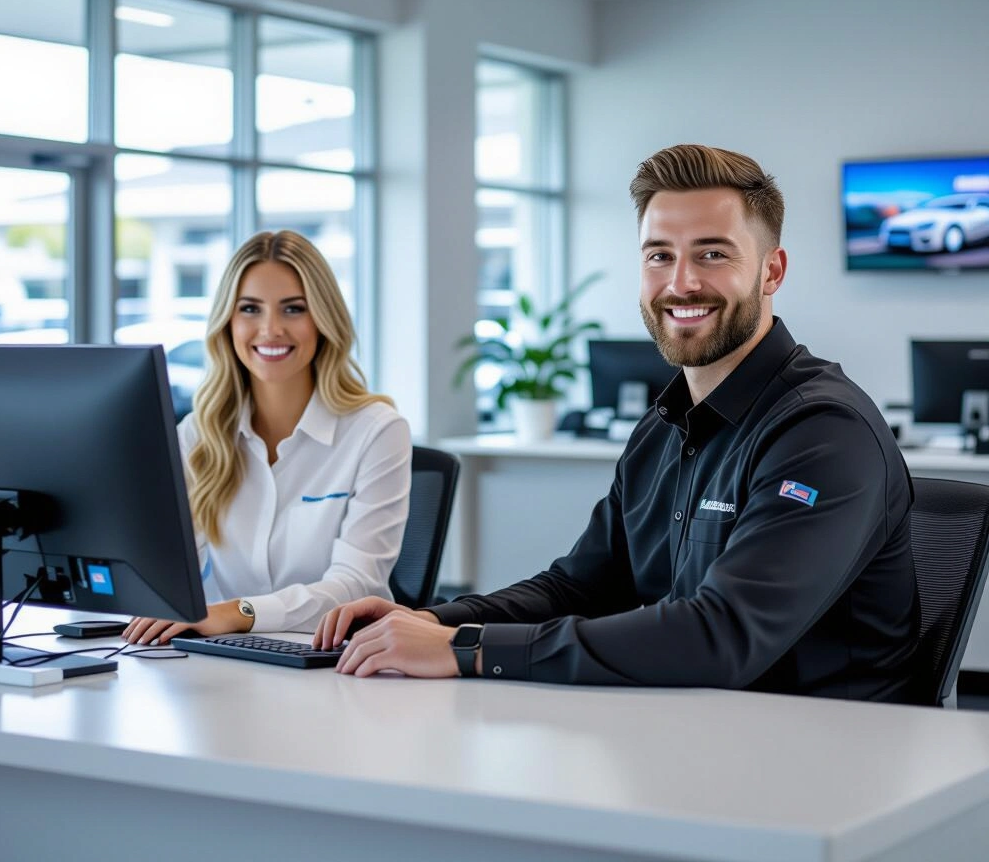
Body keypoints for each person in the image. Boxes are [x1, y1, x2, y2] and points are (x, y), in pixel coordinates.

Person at [314, 144, 920, 701]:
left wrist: (466, 649)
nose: (681, 282)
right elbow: (578, 588)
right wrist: (431, 620)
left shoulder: (824, 433)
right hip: (687, 731)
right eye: (660, 256)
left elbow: (723, 636)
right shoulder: (663, 427)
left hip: (821, 753)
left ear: (772, 271)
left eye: (712, 254)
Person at [124, 230, 411, 644]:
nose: (271, 328)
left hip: (335, 659)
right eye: (250, 309)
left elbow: (356, 586)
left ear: (323, 319)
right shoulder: (199, 435)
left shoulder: (377, 431)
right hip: (217, 658)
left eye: (293, 309)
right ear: (228, 322)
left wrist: (239, 613)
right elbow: (168, 574)